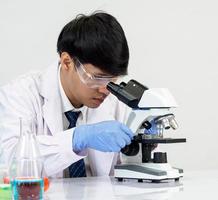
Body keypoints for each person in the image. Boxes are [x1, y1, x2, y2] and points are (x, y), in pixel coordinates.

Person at [0, 11, 135, 178]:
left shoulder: (116, 102)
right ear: (67, 62)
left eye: (112, 80)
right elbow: (8, 163)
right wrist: (75, 139)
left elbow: (129, 173)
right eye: (97, 78)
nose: (105, 90)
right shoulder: (20, 95)